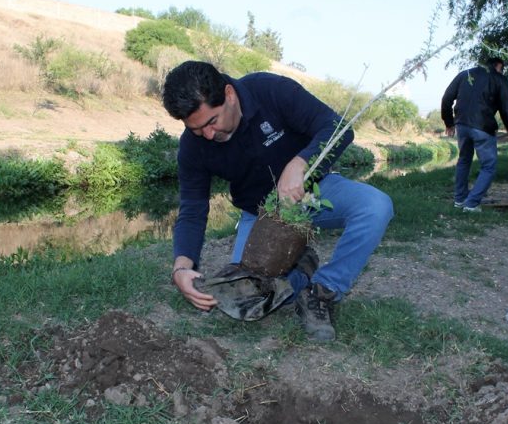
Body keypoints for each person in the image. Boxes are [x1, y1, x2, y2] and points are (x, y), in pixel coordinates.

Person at [162, 61, 394, 342]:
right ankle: (301, 270)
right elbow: (192, 210)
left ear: (229, 94)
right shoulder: (192, 146)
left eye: (212, 121)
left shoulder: (270, 90)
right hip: (260, 215)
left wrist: (300, 163)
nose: (209, 135)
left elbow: (337, 128)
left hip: (313, 194)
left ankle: (322, 291)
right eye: (197, 129)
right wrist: (181, 268)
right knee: (246, 298)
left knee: (376, 206)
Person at [441, 57, 508, 212]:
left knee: (464, 160)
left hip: (461, 124)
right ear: (499, 66)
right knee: (489, 165)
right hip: (482, 127)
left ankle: (460, 199)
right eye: (502, 69)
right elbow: (507, 113)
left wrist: (449, 123)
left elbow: (447, 98)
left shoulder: (465, 74)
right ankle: (472, 204)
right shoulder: (500, 79)